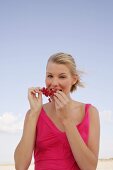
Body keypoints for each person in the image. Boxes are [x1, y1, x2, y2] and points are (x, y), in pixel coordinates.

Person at [14, 52, 100, 170]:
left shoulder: (90, 112)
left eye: (62, 76)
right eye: (50, 76)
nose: (54, 83)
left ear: (74, 79)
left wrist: (67, 121)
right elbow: (20, 166)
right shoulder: (34, 113)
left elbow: (90, 167)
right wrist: (34, 114)